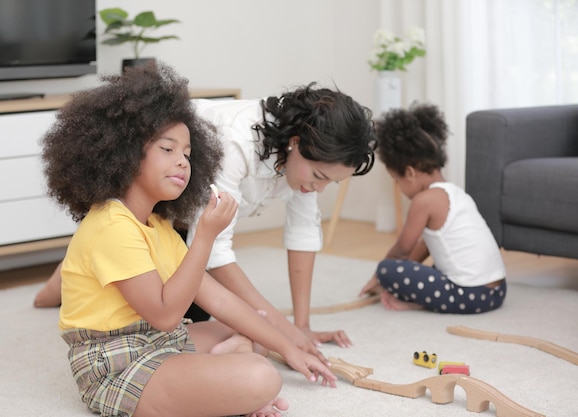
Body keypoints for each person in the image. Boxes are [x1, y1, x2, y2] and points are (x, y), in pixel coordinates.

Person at [48, 62, 336, 417]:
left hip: (157, 343)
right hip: (115, 363)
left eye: (187, 153)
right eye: (167, 150)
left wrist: (287, 346)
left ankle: (213, 386)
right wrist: (206, 237)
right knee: (261, 376)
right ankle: (220, 388)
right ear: (123, 151)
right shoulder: (112, 226)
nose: (183, 162)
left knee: (252, 331)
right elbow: (167, 314)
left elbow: (221, 302)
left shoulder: (158, 226)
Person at [35, 80, 378, 351]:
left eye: (330, 183)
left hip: (177, 224)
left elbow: (303, 232)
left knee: (195, 307)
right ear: (297, 143)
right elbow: (215, 251)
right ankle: (71, 274)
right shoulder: (234, 143)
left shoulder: (305, 165)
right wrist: (281, 330)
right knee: (172, 308)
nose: (318, 189)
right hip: (152, 202)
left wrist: (299, 326)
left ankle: (84, 266)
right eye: (318, 177)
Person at [359, 103, 507, 313]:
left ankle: (418, 302)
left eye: (396, 180)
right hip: (497, 291)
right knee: (437, 263)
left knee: (387, 269)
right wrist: (409, 270)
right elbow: (427, 245)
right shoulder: (455, 193)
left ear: (410, 173)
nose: (398, 187)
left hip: (472, 295)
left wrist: (382, 275)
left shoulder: (424, 201)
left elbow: (402, 249)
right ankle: (419, 299)